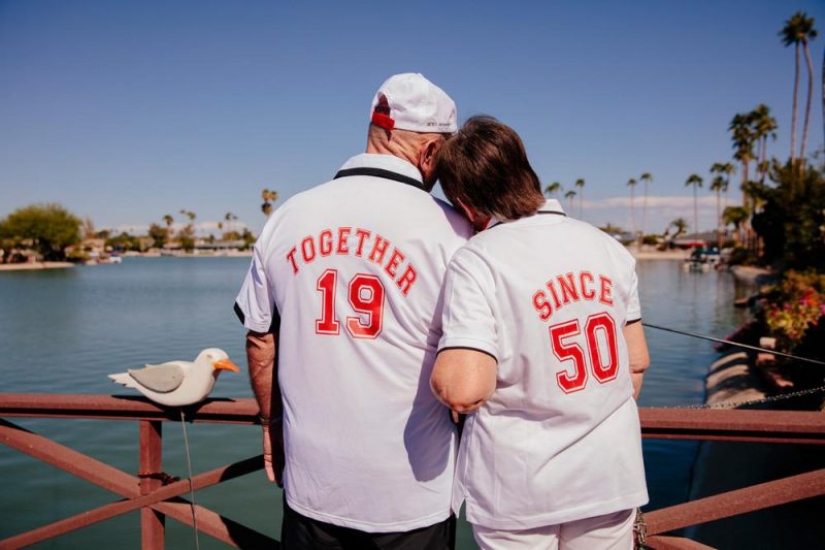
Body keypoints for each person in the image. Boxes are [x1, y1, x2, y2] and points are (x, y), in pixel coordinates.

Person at [234, 73, 473, 549]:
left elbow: (261, 339)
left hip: (312, 490)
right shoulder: (457, 232)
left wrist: (271, 425)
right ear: (430, 153)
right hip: (414, 498)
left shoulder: (288, 217)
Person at [431, 115, 650, 550]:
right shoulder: (608, 248)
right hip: (609, 478)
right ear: (524, 170)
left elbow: (464, 388)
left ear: (466, 202)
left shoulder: (479, 259)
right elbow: (636, 362)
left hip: (519, 489)